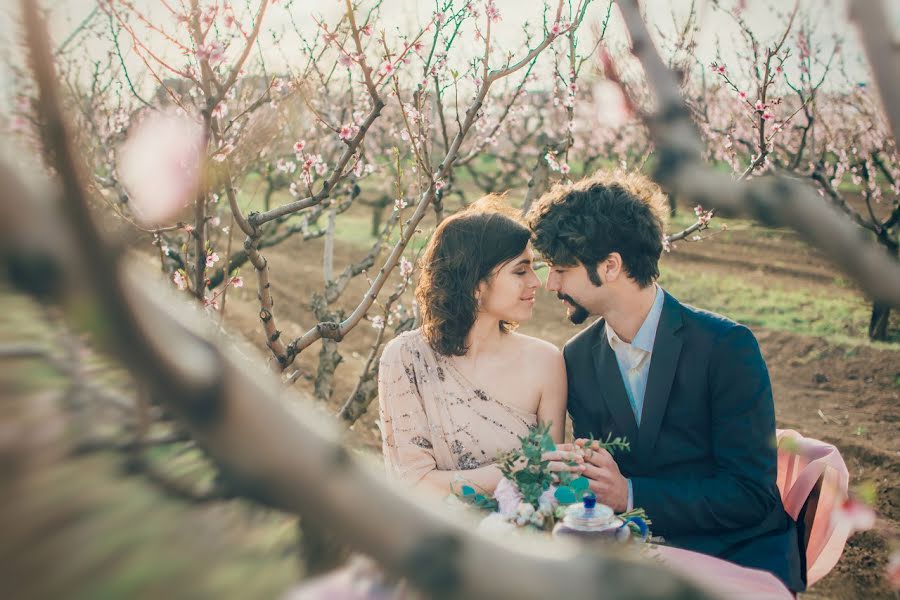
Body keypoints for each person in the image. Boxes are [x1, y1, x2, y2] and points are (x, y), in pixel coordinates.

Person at [526, 171, 805, 592]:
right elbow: (605, 486)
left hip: (735, 552)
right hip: (635, 553)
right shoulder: (578, 358)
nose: (551, 284)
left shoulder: (727, 347)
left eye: (561, 269)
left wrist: (630, 494)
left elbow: (751, 495)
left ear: (611, 265)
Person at [377, 196, 576, 496]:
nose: (536, 282)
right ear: (475, 284)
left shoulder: (545, 362)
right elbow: (413, 483)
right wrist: (515, 470)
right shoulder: (406, 358)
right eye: (520, 271)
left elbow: (547, 484)